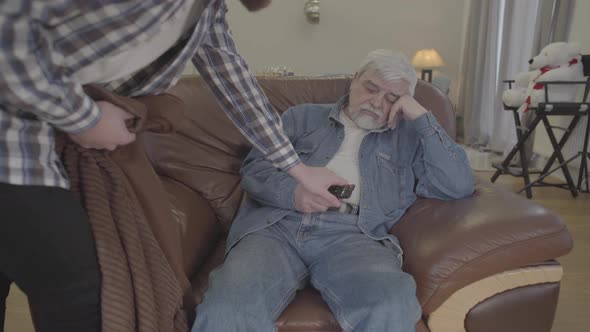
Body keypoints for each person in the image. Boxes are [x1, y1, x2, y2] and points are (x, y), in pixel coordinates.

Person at [0, 0, 345, 331]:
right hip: (18, 144)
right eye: (371, 86)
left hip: (52, 146)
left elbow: (231, 76)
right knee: (92, 301)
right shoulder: (304, 117)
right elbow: (9, 33)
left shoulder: (206, 10)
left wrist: (297, 169)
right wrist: (85, 118)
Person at [192, 50, 475, 332]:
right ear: (354, 80)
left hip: (354, 236)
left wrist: (423, 118)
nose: (376, 102)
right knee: (226, 309)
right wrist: (293, 193)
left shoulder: (408, 139)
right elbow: (254, 169)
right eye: (371, 88)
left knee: (391, 302)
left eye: (391, 98)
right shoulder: (301, 118)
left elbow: (457, 185)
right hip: (276, 227)